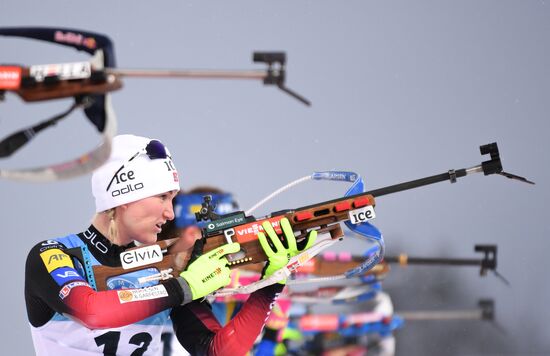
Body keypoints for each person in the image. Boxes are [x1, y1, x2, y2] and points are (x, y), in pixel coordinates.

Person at [24, 134, 316, 355]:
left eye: (172, 199)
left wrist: (269, 286)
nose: (170, 213)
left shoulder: (166, 269)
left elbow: (217, 350)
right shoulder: (55, 254)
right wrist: (183, 288)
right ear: (123, 196)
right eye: (162, 197)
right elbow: (92, 310)